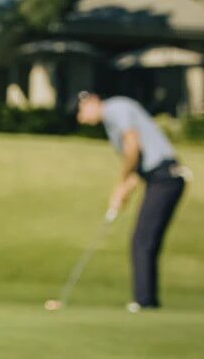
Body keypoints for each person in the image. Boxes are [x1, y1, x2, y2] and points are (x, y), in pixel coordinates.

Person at [76, 92, 188, 312]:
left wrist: (120, 184)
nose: (80, 117)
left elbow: (133, 148)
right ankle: (147, 300)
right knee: (144, 240)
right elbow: (138, 165)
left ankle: (144, 301)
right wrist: (124, 192)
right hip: (159, 178)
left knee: (142, 240)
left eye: (81, 110)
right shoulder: (111, 122)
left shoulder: (116, 109)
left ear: (93, 102)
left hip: (166, 177)